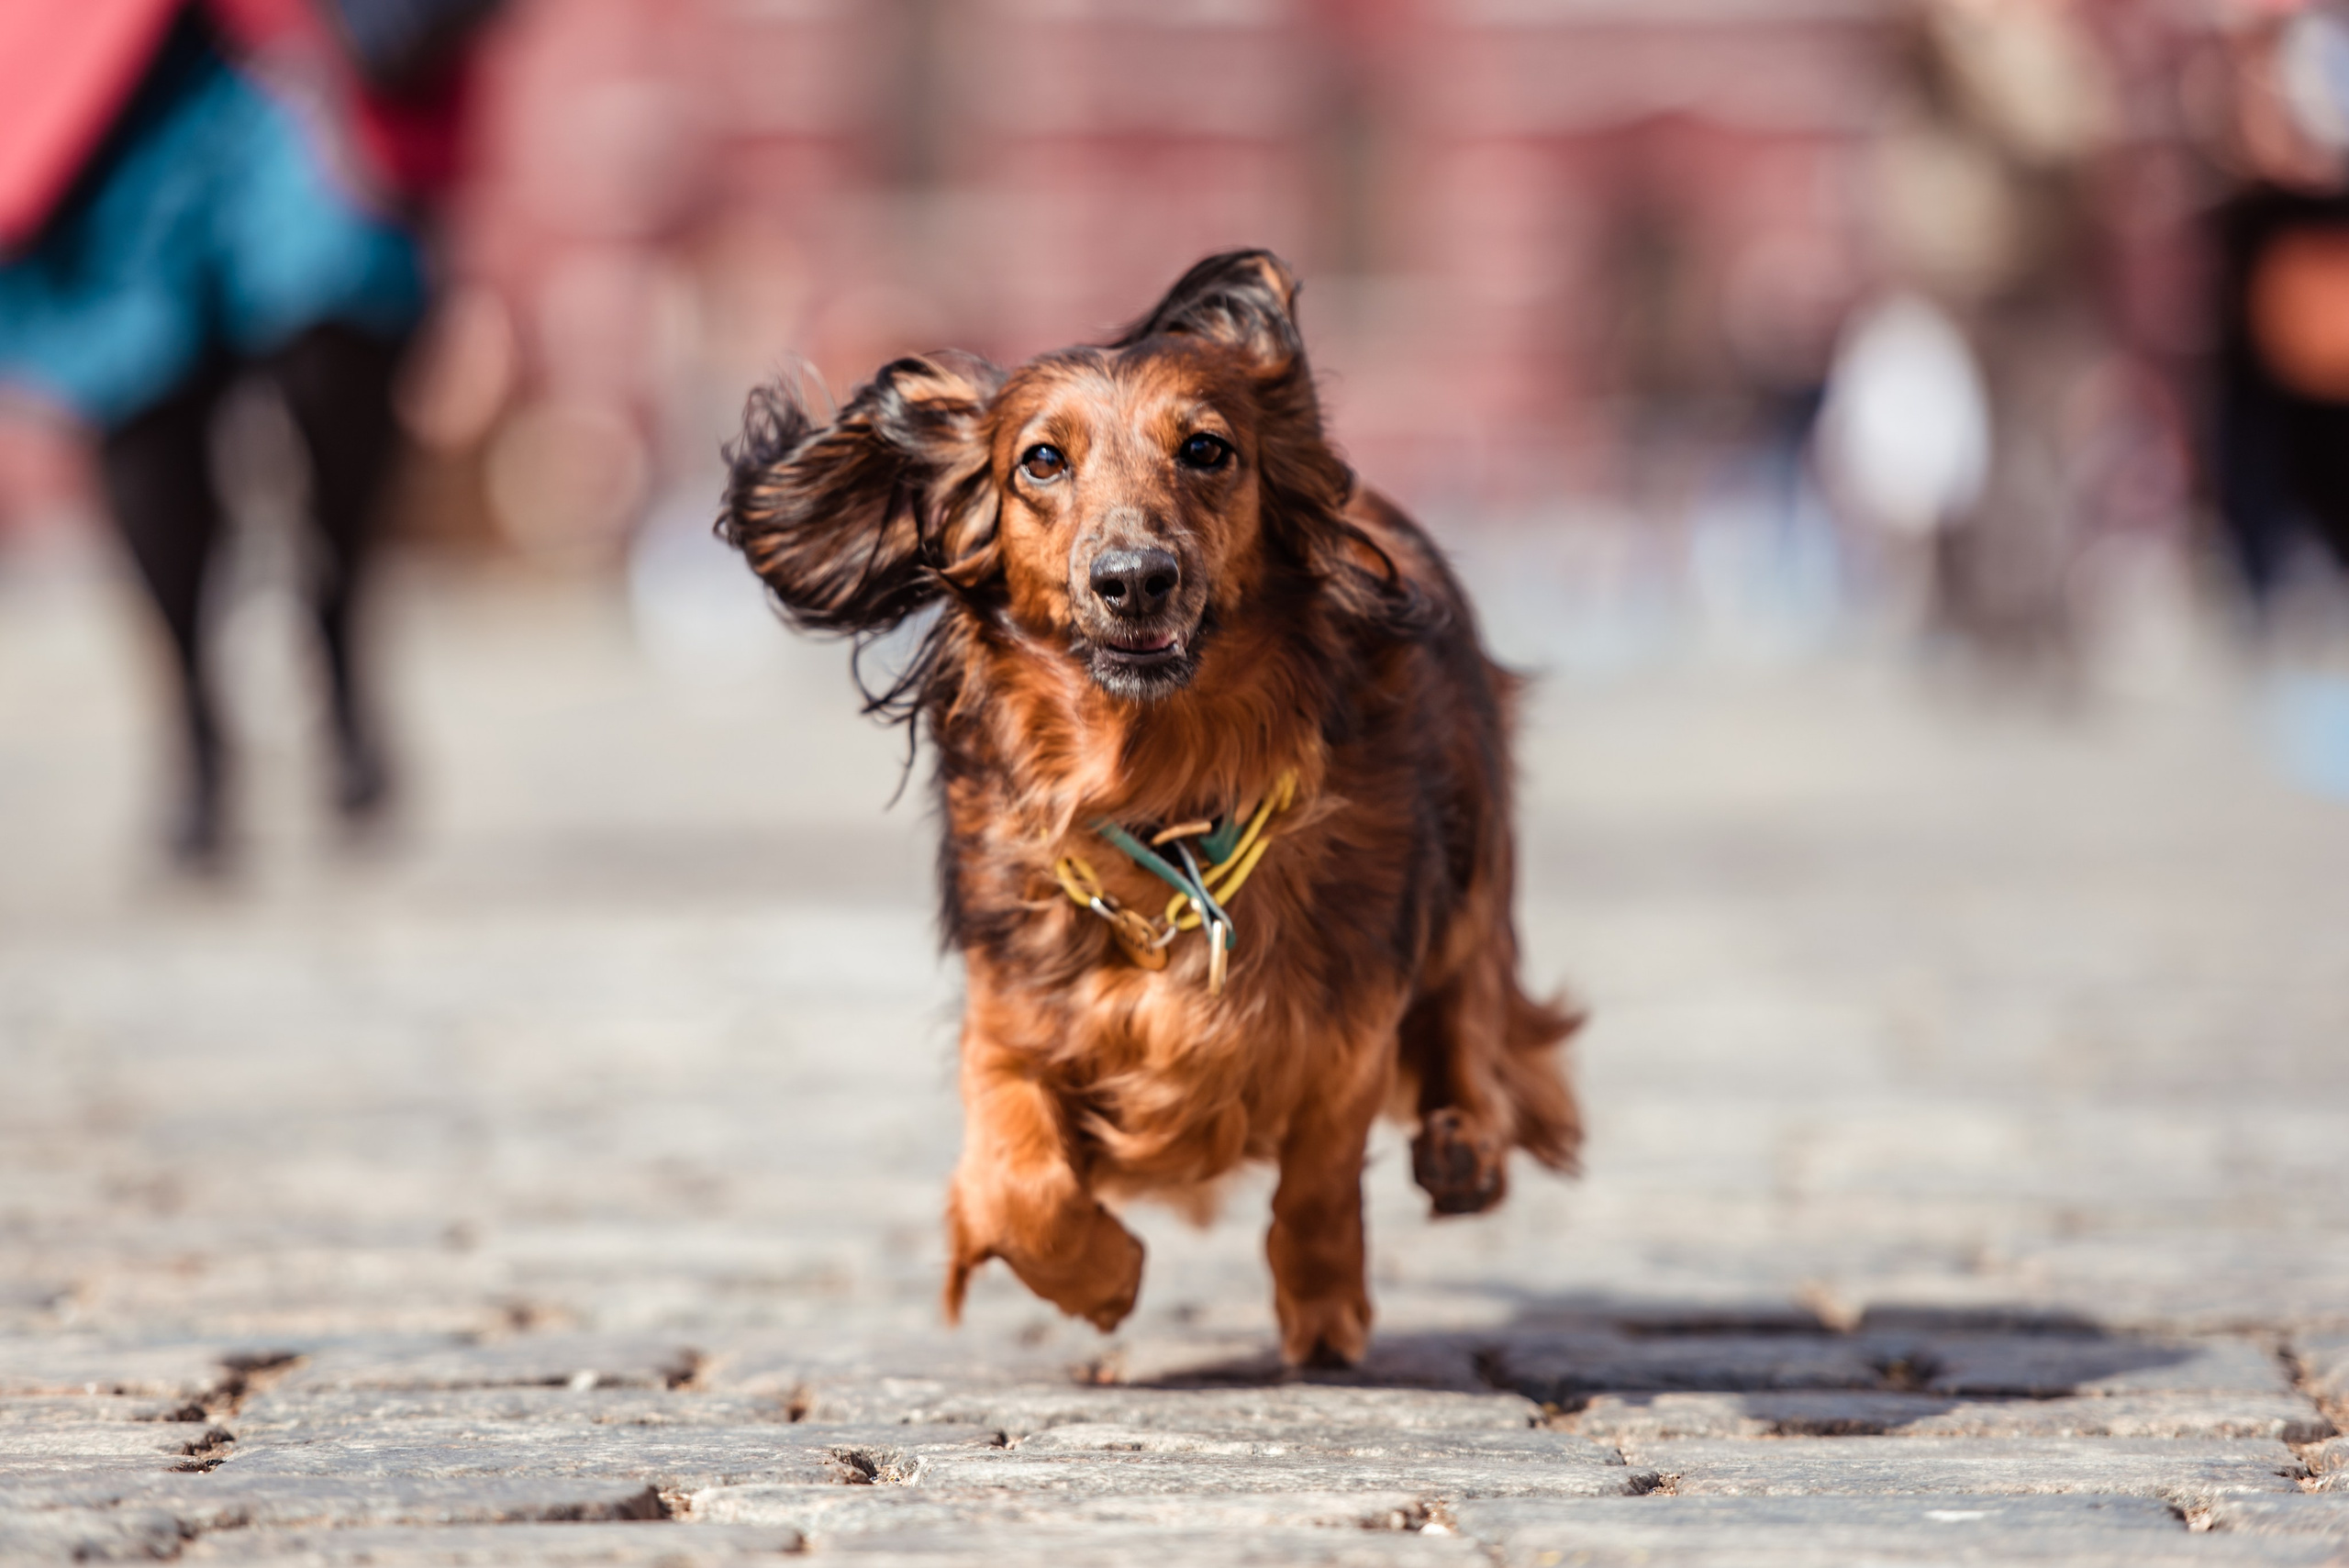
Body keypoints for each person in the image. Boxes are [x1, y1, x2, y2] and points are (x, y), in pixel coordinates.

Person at [0, 0, 481, 871]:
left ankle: (335, 622)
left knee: (342, 302)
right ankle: (192, 722)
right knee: (138, 385)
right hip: (110, 71)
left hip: (303, 60)